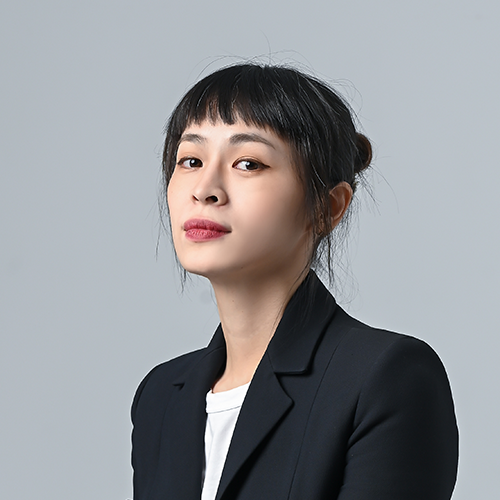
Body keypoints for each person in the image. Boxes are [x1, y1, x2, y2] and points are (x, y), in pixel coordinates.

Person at [131, 63, 458, 500]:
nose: (205, 188)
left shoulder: (385, 378)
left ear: (327, 208)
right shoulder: (160, 395)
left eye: (248, 163)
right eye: (190, 160)